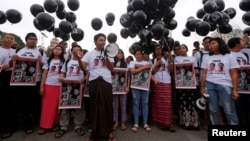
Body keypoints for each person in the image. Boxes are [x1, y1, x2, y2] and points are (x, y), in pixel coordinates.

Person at [75, 33, 115, 141]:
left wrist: (106, 57)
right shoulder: (89, 54)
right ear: (95, 41)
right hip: (94, 83)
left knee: (108, 107)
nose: (103, 42)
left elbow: (112, 69)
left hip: (106, 82)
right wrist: (79, 58)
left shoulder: (110, 54)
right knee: (94, 108)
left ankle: (109, 131)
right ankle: (94, 132)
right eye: (100, 40)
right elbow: (83, 67)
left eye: (104, 40)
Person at [11, 32, 47, 134]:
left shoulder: (41, 52)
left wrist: (40, 62)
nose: (33, 41)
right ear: (26, 40)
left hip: (36, 81)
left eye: (35, 39)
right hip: (20, 81)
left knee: (34, 104)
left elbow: (45, 67)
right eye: (31, 39)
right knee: (21, 103)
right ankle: (23, 123)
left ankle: (32, 123)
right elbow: (11, 65)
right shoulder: (18, 50)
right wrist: (12, 60)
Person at [200, 37, 239, 125]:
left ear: (220, 44)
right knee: (213, 110)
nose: (210, 46)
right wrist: (202, 87)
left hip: (225, 85)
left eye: (213, 43)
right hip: (210, 85)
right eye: (210, 44)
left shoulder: (229, 56)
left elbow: (234, 73)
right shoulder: (206, 57)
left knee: (229, 110)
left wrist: (235, 90)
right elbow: (204, 73)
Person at [55, 44, 85, 138]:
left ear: (81, 52)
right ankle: (63, 127)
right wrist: (61, 78)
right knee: (65, 108)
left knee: (79, 108)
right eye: (74, 50)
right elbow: (63, 73)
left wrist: (83, 80)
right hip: (67, 87)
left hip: (79, 87)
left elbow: (88, 74)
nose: (76, 52)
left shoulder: (84, 62)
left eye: (78, 50)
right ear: (71, 52)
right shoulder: (68, 61)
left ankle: (78, 126)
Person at [38, 45, 65, 135]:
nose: (57, 50)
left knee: (57, 107)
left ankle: (55, 124)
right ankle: (44, 125)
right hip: (49, 85)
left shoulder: (64, 61)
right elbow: (44, 74)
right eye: (55, 49)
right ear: (52, 51)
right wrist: (42, 86)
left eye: (59, 49)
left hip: (60, 86)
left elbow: (64, 73)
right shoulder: (48, 61)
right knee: (46, 107)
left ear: (62, 51)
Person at [174, 44, 200, 130]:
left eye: (183, 48)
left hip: (191, 84)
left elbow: (196, 70)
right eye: (179, 48)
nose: (181, 50)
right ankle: (184, 122)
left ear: (187, 49)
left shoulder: (192, 58)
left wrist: (194, 73)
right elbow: (175, 71)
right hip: (181, 84)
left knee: (192, 102)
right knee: (183, 102)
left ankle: (194, 122)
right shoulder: (177, 59)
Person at [151, 44, 175, 132]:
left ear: (162, 50)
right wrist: (156, 65)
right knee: (159, 104)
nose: (158, 50)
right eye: (156, 49)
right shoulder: (152, 60)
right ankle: (162, 123)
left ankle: (170, 123)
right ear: (154, 51)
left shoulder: (166, 58)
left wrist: (169, 59)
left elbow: (171, 70)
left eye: (159, 49)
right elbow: (152, 72)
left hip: (167, 82)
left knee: (167, 104)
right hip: (157, 83)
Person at [128, 48, 152, 133]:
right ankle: (136, 123)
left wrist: (155, 79)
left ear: (142, 55)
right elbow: (133, 72)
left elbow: (150, 75)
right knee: (136, 104)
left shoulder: (147, 63)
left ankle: (145, 123)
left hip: (145, 87)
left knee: (145, 104)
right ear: (134, 56)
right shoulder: (132, 63)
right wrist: (143, 68)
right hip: (135, 87)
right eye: (136, 54)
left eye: (139, 54)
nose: (138, 55)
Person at [228, 37, 250, 125]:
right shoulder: (228, 55)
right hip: (234, 85)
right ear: (236, 43)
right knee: (236, 107)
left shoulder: (245, 55)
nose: (243, 42)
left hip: (245, 86)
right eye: (241, 41)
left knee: (247, 107)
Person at [0, 33, 16, 139]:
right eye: (7, 38)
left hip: (13, 77)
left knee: (11, 102)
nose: (9, 40)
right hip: (2, 76)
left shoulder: (16, 52)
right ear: (2, 39)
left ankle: (10, 127)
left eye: (11, 38)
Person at [112, 49, 129, 131]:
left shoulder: (125, 64)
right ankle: (115, 122)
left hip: (123, 86)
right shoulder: (112, 64)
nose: (120, 54)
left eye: (121, 52)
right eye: (118, 53)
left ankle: (123, 122)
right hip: (114, 86)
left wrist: (127, 86)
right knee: (115, 105)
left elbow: (128, 76)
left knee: (123, 104)